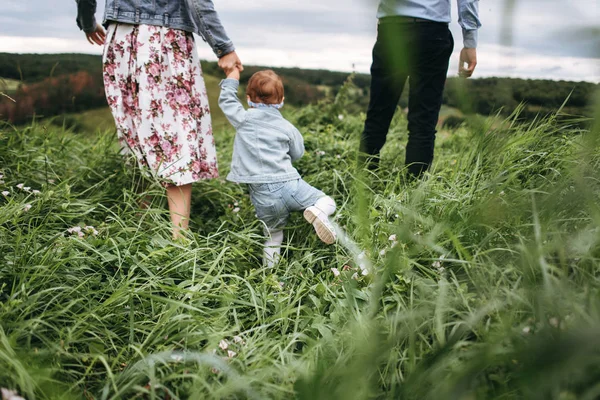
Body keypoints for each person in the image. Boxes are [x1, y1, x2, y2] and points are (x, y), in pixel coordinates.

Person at [75, 0, 242, 238]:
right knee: (174, 133)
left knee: (134, 131)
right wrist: (223, 47)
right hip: (165, 37)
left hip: (120, 37)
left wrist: (87, 21)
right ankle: (179, 240)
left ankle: (138, 227)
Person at [218, 68, 337, 267]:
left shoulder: (243, 119)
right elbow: (297, 153)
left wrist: (232, 77)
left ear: (248, 98)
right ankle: (318, 212)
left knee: (273, 236)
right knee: (327, 200)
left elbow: (227, 101)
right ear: (281, 99)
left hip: (263, 193)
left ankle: (271, 279)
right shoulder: (288, 128)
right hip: (291, 185)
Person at [360, 0, 481, 177]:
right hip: (431, 31)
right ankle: (413, 193)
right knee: (424, 119)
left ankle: (363, 186)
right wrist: (470, 41)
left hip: (391, 27)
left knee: (378, 113)